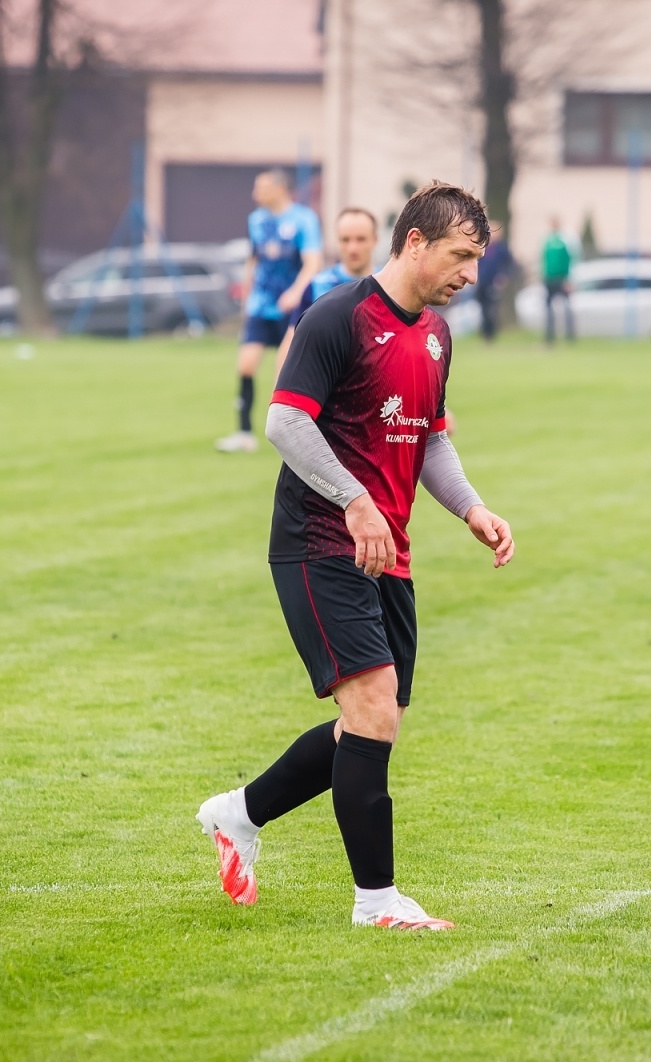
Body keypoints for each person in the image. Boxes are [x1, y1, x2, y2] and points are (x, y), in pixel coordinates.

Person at [196, 182, 515, 930]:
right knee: (371, 707)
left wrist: (472, 507)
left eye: (476, 259)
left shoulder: (436, 336)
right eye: (460, 256)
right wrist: (354, 498)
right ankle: (377, 903)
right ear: (415, 242)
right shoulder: (335, 317)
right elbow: (285, 423)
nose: (470, 274)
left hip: (387, 552)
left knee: (372, 724)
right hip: (319, 541)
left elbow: (430, 439)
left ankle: (240, 812)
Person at [215, 169, 324, 453]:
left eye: (261, 188)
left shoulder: (303, 219)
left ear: (280, 189)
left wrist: (296, 292)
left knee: (286, 371)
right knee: (246, 365)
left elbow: (313, 262)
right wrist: (246, 295)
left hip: (293, 307)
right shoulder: (257, 220)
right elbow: (253, 260)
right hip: (261, 306)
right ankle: (244, 433)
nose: (256, 194)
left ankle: (297, 432)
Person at [271, 205, 379, 385]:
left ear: (375, 240)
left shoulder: (390, 287)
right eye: (345, 240)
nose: (352, 248)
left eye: (361, 239)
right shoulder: (317, 286)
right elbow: (292, 343)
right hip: (326, 390)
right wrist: (279, 391)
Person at [475, 220, 514, 341]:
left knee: (491, 309)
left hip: (494, 283)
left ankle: (491, 334)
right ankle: (484, 332)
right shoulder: (482, 247)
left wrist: (503, 277)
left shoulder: (501, 249)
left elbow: (509, 265)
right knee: (482, 308)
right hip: (482, 281)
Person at [541, 216, 575, 345]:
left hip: (562, 279)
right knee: (549, 309)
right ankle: (550, 337)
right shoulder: (547, 241)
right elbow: (544, 260)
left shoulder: (565, 240)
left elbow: (569, 260)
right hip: (549, 279)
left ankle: (570, 336)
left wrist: (568, 278)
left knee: (567, 308)